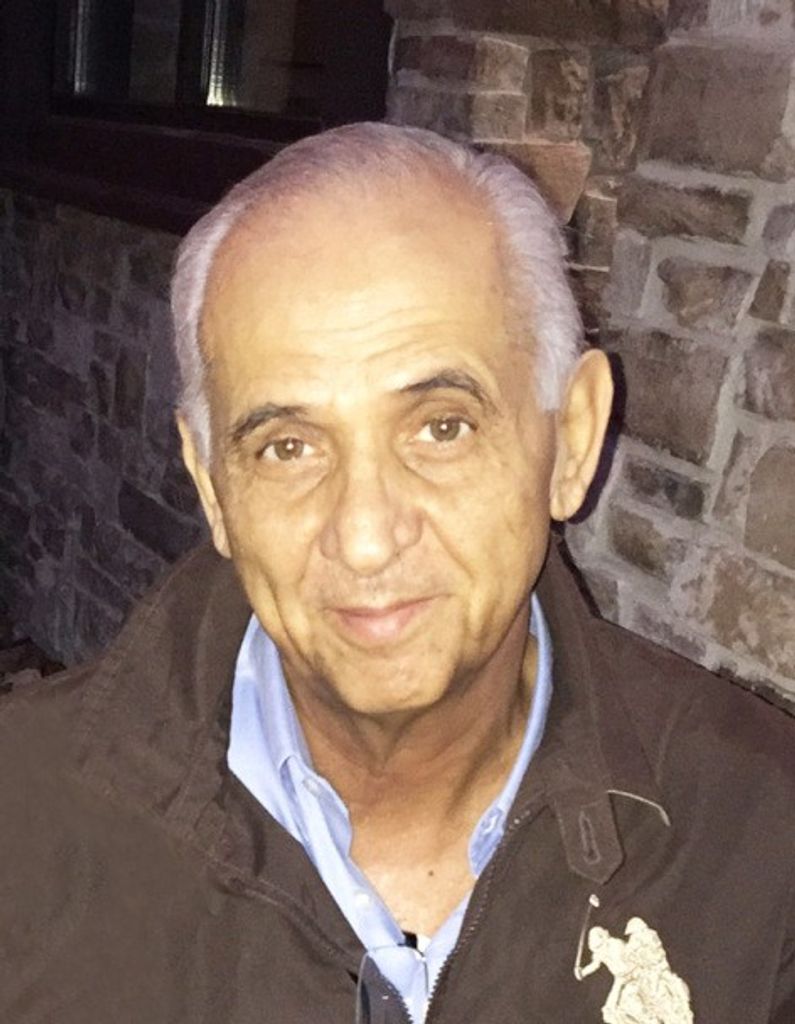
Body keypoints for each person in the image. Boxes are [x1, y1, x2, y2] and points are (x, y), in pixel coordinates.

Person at [0, 122, 793, 1024]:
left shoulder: (760, 838)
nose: (367, 538)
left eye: (441, 428)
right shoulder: (22, 827)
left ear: (570, 440)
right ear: (212, 486)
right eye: (287, 446)